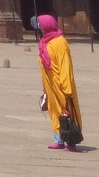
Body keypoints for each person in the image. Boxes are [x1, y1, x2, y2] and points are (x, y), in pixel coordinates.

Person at [35, 14, 83, 150]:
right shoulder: (45, 42)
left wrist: (66, 88)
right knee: (55, 111)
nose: (40, 27)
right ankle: (59, 139)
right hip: (51, 85)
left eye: (41, 24)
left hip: (61, 84)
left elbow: (65, 66)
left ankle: (71, 141)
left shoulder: (59, 42)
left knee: (67, 112)